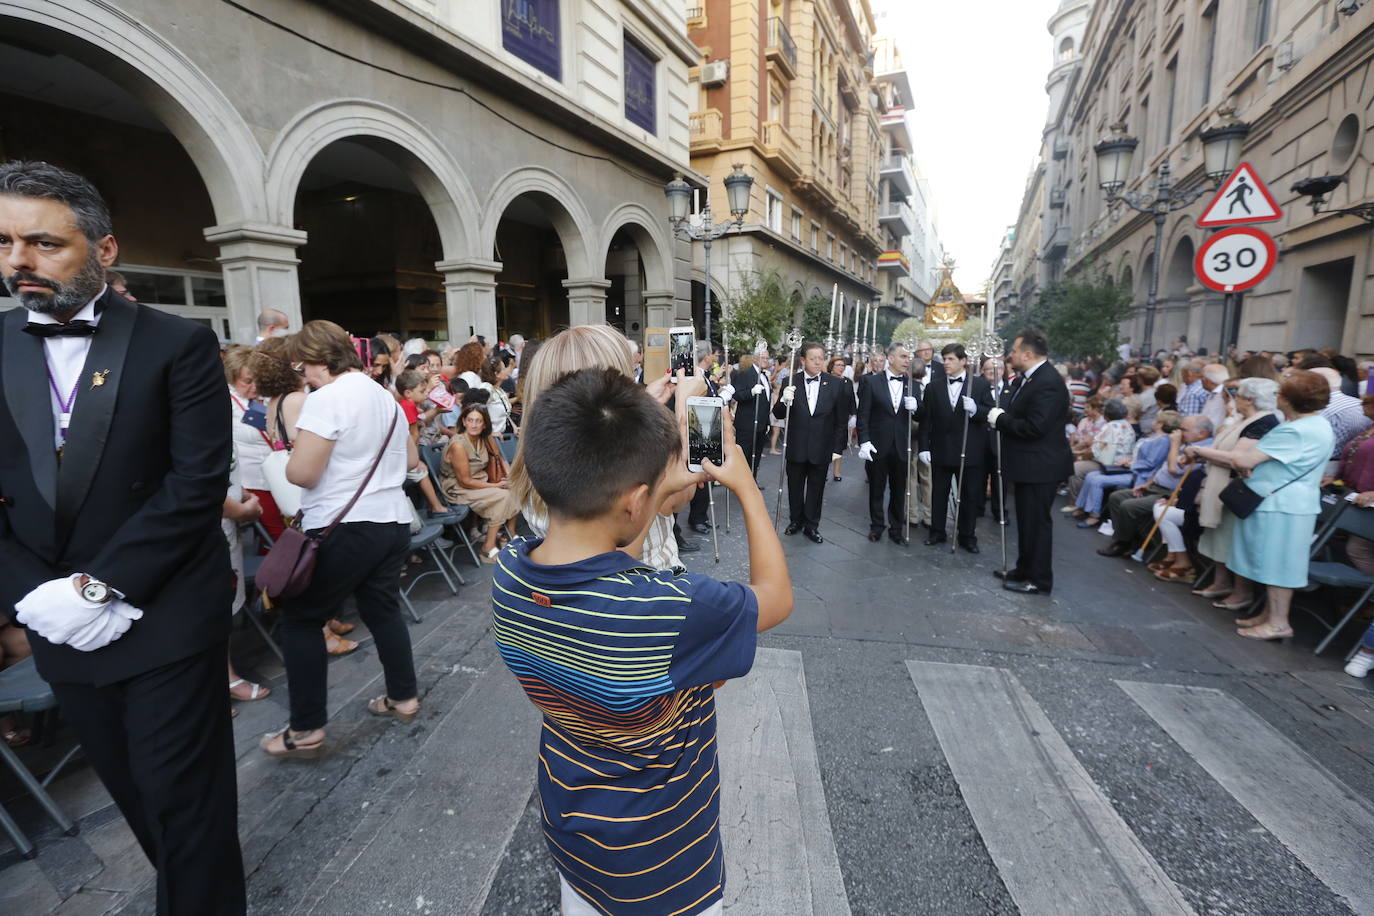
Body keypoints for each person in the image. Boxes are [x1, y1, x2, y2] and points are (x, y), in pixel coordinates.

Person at [0, 160, 244, 913]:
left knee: (185, 797)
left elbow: (195, 485)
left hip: (163, 609)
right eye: (5, 244)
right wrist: (30, 598)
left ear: (104, 251)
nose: (18, 262)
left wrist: (102, 587)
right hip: (51, 615)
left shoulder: (178, 343)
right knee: (135, 792)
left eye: (43, 244)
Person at [493, 367, 792, 916]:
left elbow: (601, 556)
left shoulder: (511, 572)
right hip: (662, 857)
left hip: (574, 825)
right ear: (633, 503)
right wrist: (747, 486)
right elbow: (775, 597)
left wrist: (649, 495)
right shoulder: (668, 608)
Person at [262, 320, 421, 758]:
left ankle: (306, 728)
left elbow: (303, 473)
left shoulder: (326, 398)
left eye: (303, 365)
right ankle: (403, 696)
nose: (303, 375)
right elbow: (410, 458)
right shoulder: (383, 396)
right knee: (383, 610)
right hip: (391, 520)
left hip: (344, 523)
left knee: (300, 620)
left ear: (317, 359)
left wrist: (293, 454)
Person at [509, 323, 696, 565]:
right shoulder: (628, 462)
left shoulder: (537, 458)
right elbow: (678, 496)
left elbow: (590, 431)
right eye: (625, 378)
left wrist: (645, 405)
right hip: (650, 585)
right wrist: (686, 408)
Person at [1215, 371, 1335, 641]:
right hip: (1286, 502)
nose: (1276, 397)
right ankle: (1270, 616)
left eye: (1281, 393)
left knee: (1278, 565)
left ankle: (1279, 623)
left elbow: (1244, 461)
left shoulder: (1297, 430)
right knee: (1273, 562)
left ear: (1291, 400)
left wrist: (1246, 464)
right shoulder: (1316, 424)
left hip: (1281, 504)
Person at [986, 329, 1074, 594]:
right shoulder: (1030, 378)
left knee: (1036, 523)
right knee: (1026, 521)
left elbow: (1036, 426)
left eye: (1013, 350)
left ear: (1027, 354)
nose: (1010, 354)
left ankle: (1038, 579)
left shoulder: (1047, 381)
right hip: (1029, 464)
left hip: (1040, 465)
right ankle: (1024, 569)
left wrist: (1000, 420)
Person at [1186, 378, 1282, 603]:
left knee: (1232, 540)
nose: (1233, 399)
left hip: (1236, 487)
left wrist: (1200, 451)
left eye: (1237, 395)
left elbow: (1238, 459)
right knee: (1219, 537)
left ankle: (1242, 592)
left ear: (1249, 399)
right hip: (1221, 484)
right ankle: (1221, 583)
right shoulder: (1245, 419)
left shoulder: (1263, 422)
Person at [1096, 415, 1214, 557]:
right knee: (1116, 497)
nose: (1180, 432)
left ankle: (1123, 542)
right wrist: (1148, 483)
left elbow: (1174, 470)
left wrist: (1175, 444)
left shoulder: (1203, 449)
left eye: (1184, 429)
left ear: (1201, 433)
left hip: (1169, 493)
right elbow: (1163, 468)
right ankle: (1128, 539)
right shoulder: (1188, 442)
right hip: (1155, 486)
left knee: (1128, 506)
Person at [917, 343, 994, 552]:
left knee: (969, 495)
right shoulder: (934, 387)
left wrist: (976, 410)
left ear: (963, 361)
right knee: (938, 494)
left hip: (970, 450)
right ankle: (937, 531)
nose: (946, 363)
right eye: (944, 359)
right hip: (941, 449)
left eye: (951, 359)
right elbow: (926, 421)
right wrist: (924, 447)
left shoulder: (979, 386)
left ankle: (967, 535)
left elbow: (991, 414)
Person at [774, 341, 849, 543]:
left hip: (822, 447)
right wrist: (783, 400)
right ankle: (795, 521)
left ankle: (811, 525)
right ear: (802, 360)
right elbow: (778, 414)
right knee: (795, 487)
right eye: (813, 358)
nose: (817, 362)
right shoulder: (791, 381)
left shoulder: (835, 384)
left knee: (817, 488)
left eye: (820, 358)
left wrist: (837, 448)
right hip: (796, 445)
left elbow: (841, 420)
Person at [440, 403, 520, 562]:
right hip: (458, 487)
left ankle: (508, 535)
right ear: (464, 421)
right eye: (470, 420)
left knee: (515, 489)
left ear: (485, 424)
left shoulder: (486, 437)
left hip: (481, 481)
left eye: (478, 421)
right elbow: (465, 481)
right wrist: (497, 485)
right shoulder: (458, 444)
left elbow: (500, 459)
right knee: (503, 496)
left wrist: (510, 477)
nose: (474, 425)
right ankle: (487, 547)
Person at [857, 343, 918, 544]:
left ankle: (896, 529)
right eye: (903, 356)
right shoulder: (872, 382)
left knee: (899, 489)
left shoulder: (913, 385)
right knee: (876, 487)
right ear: (890, 358)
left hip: (902, 444)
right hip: (877, 444)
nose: (907, 360)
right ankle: (876, 526)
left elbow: (924, 415)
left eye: (908, 357)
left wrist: (917, 407)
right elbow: (863, 414)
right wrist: (864, 441)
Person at [731, 352, 769, 476]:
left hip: (761, 425)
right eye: (763, 358)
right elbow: (737, 394)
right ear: (755, 358)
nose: (766, 360)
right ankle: (740, 485)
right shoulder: (746, 373)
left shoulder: (765, 376)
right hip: (747, 424)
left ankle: (752, 483)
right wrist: (751, 392)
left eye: (767, 358)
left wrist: (767, 422)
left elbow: (765, 402)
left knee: (756, 457)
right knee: (743, 457)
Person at [827, 356, 854, 481]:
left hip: (842, 419)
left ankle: (837, 472)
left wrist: (854, 415)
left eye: (842, 365)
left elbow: (852, 399)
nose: (841, 368)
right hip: (827, 417)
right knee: (825, 445)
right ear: (832, 367)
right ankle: (823, 469)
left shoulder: (847, 382)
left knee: (838, 446)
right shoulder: (826, 379)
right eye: (838, 365)